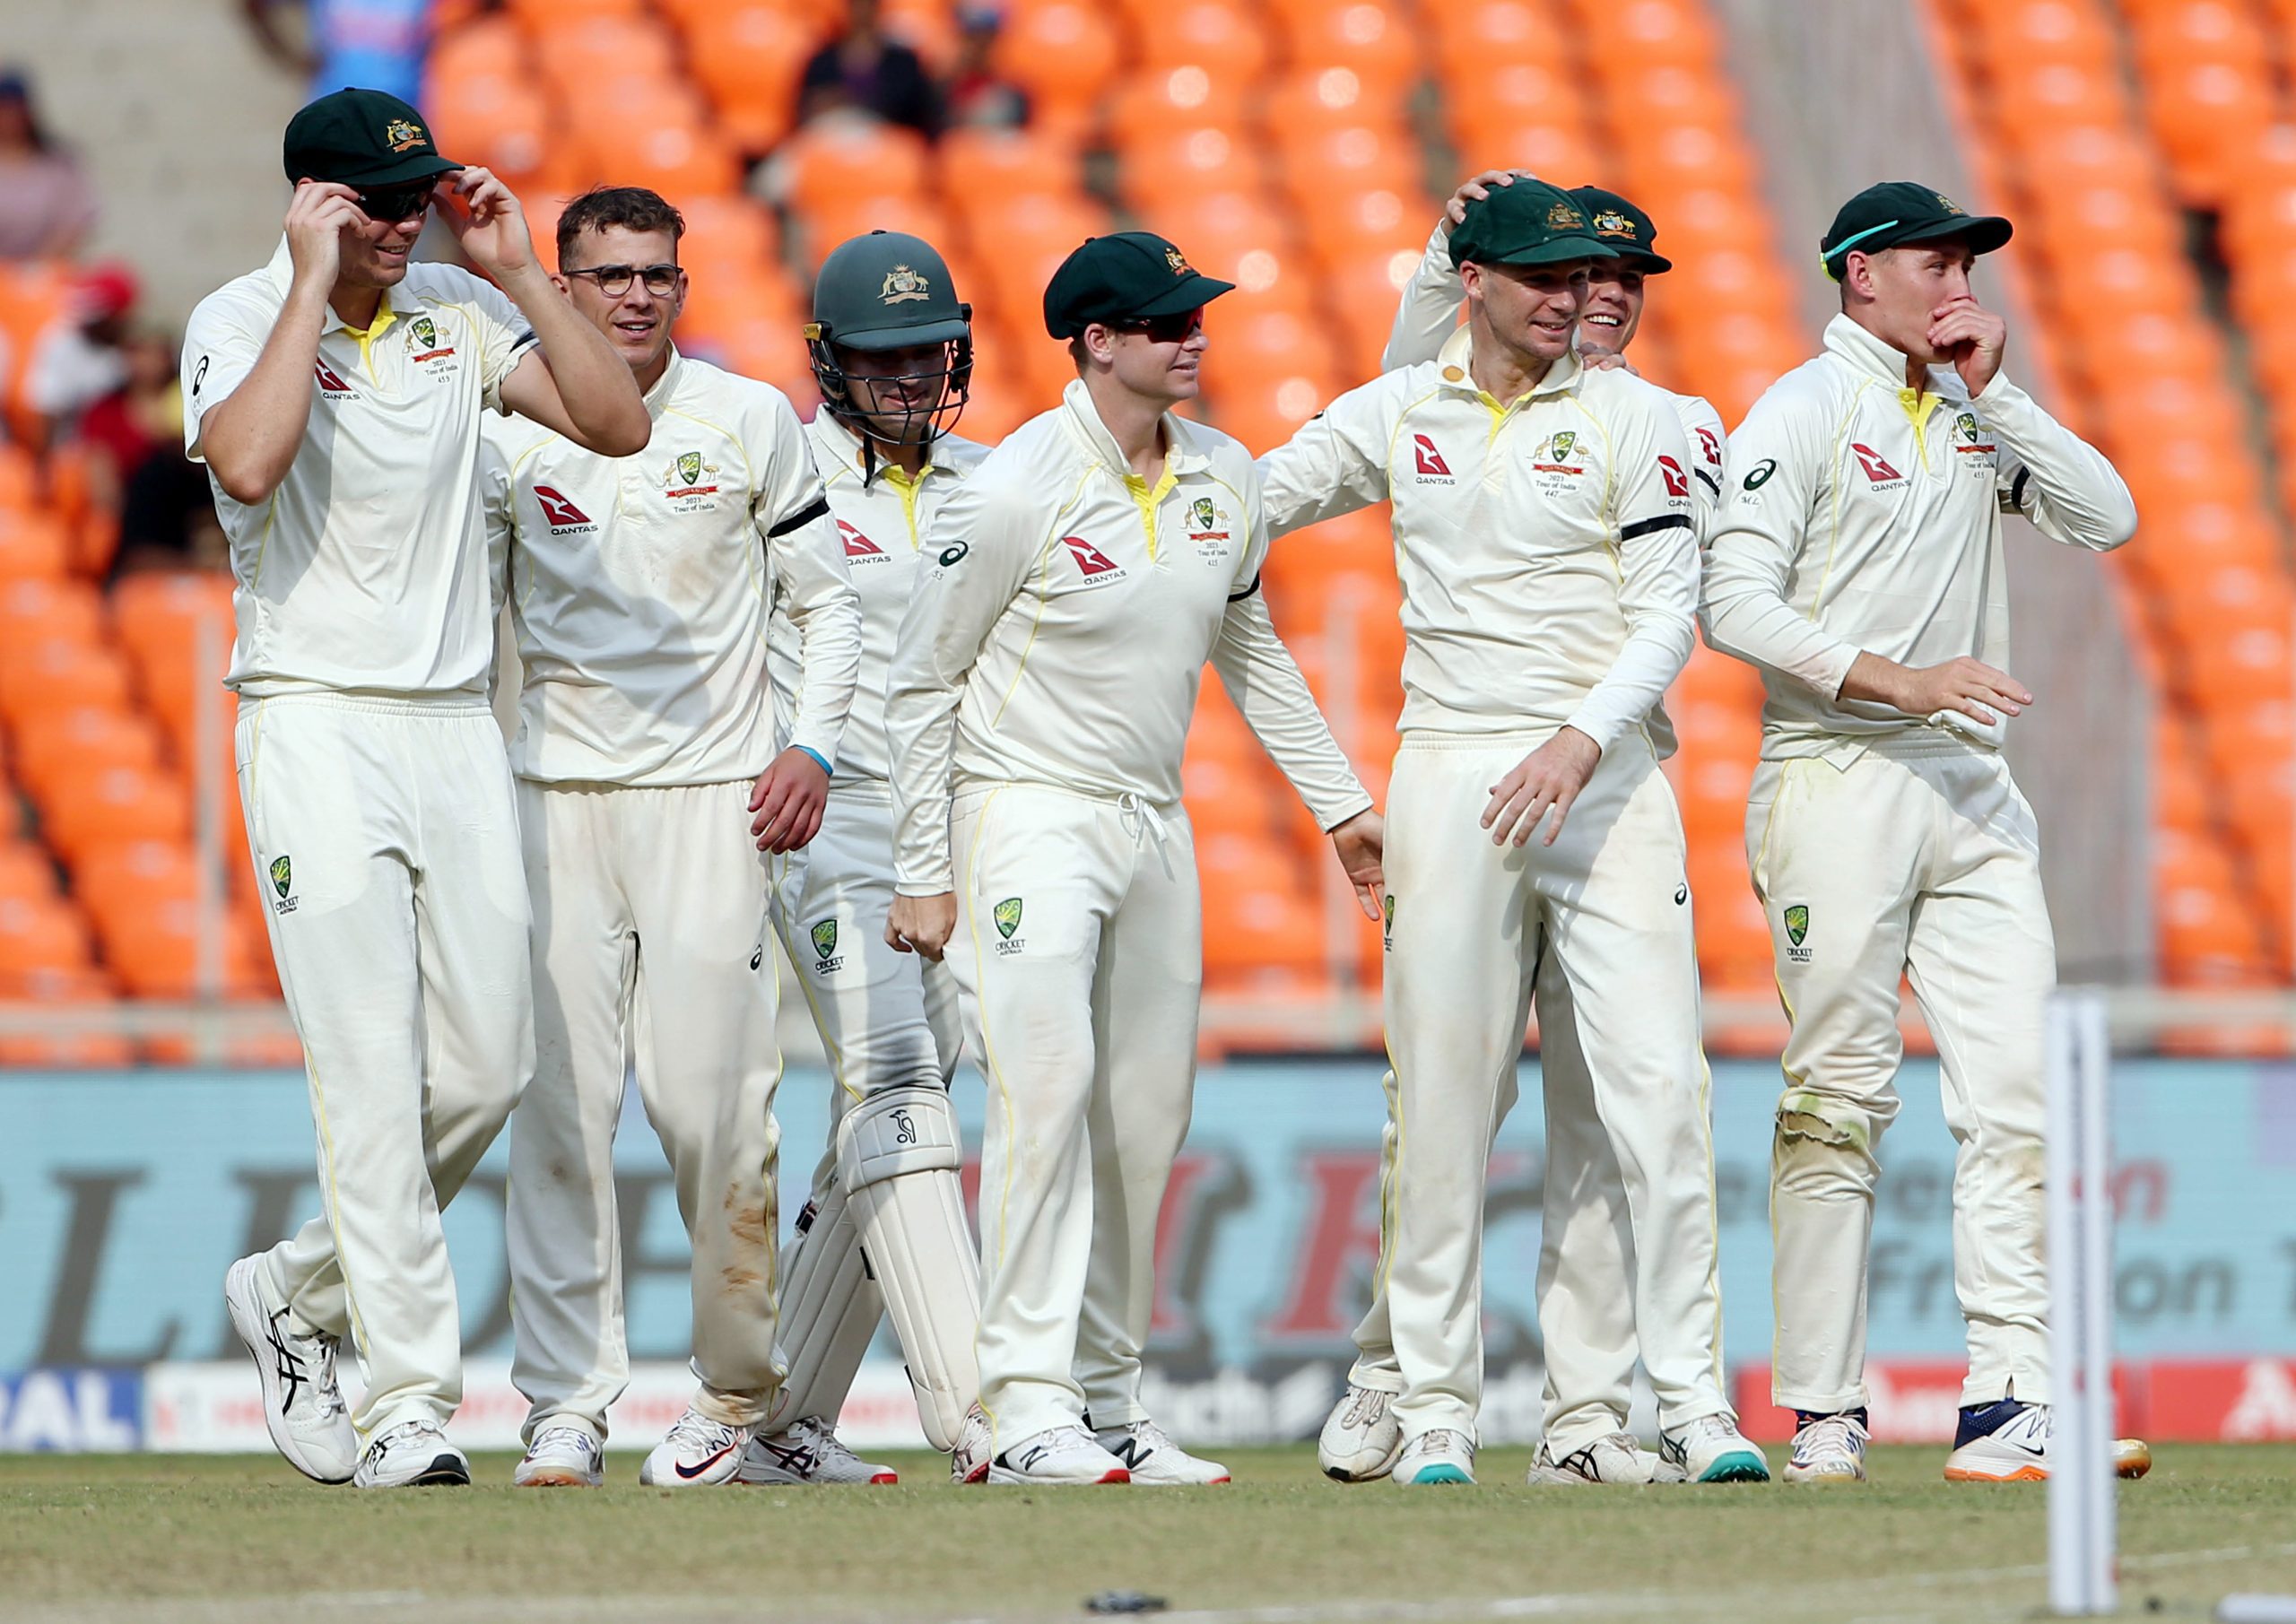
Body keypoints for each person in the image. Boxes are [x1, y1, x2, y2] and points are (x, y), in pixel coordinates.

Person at [1257, 178, 1764, 1488]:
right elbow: (1243, 506)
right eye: (1546, 276)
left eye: (1598, 278)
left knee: (1655, 1096)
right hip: (1452, 776)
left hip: (1603, 783)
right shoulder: (1404, 404)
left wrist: (1579, 736)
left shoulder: (1651, 418)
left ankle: (1668, 1404)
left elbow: (1670, 614)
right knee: (1440, 1100)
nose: (1581, 298)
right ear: (1473, 279)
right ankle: (1432, 1402)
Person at [197, 87, 648, 1490]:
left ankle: (294, 1288)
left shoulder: (460, 310)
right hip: (313, 720)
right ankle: (408, 1401)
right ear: (316, 202)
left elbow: (616, 423)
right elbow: (252, 457)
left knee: (491, 1062)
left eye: (416, 199)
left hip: (455, 721)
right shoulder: (240, 314)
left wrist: (519, 266)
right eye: (375, 204)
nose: (405, 225)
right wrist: (313, 282)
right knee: (371, 1072)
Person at [883, 230, 1384, 1486]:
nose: (1195, 338)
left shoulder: (1223, 473)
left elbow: (1253, 648)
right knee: (1045, 1096)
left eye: (1198, 318)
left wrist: (1340, 806)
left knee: (1145, 1121)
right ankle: (1025, 1397)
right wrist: (922, 864)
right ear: (1096, 342)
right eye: (1167, 325)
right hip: (1025, 812)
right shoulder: (1017, 487)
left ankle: (1108, 1398)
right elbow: (921, 681)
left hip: (1153, 821)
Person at [1700, 181, 2147, 1485]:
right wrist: (1902, 678)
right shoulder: (1803, 409)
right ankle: (1824, 1409)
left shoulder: (1961, 410)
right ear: (1858, 278)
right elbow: (1735, 600)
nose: (1957, 278)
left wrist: (1995, 395)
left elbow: (2110, 515)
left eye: (1967, 258)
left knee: (2018, 1100)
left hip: (1969, 787)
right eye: (1932, 258)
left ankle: (2009, 1402)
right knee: (1837, 1098)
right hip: (1838, 772)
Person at [482, 186, 860, 1490]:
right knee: (561, 1116)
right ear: (564, 288)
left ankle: (732, 1393)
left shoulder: (748, 418)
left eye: (657, 274)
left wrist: (812, 742)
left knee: (714, 1113)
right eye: (608, 275)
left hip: (715, 798)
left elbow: (832, 605)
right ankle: (566, 1405)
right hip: (555, 804)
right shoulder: (511, 425)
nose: (636, 294)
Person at [760, 230, 993, 1487]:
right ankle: (983, 1413)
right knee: (898, 1075)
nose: (909, 374)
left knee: (889, 1110)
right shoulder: (778, 469)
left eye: (926, 348)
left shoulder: (991, 479)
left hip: (950, 833)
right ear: (830, 361)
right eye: (881, 354)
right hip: (829, 827)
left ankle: (771, 1420)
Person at [797, 0, 941, 138]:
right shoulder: (822, 62)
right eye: (856, 5)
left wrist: (849, 101)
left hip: (889, 145)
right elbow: (807, 112)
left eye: (867, 4)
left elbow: (917, 112)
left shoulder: (903, 63)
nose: (861, 12)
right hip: (831, 144)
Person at [0, 68, 95, 261]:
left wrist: (37, 267)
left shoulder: (58, 162)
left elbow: (76, 221)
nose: (10, 119)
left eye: (16, 110)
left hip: (47, 273)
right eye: (4, 110)